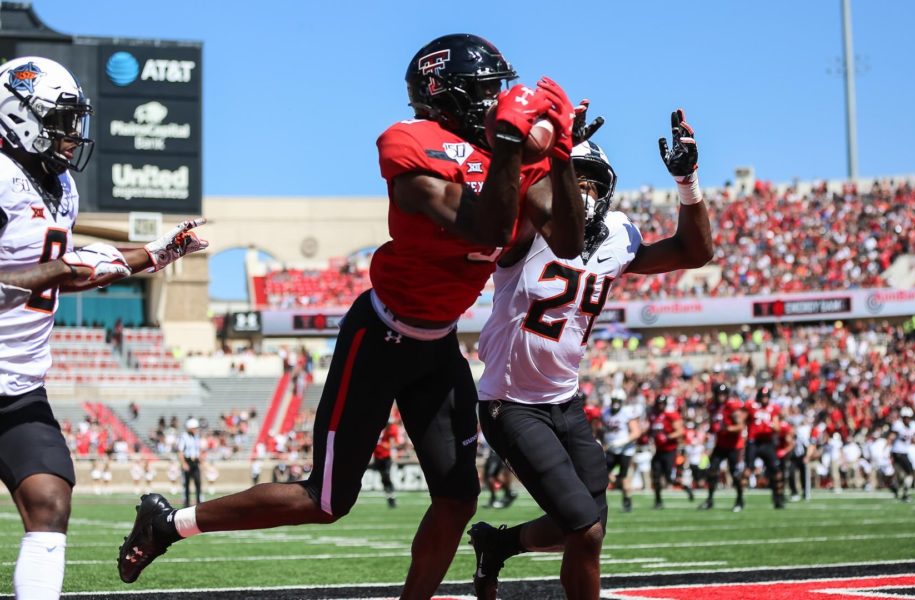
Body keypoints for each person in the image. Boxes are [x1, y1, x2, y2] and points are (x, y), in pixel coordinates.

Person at [117, 34, 584, 599]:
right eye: (487, 91)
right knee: (328, 500)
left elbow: (569, 242)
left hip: (438, 346)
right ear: (448, 95)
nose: (500, 100)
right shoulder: (411, 142)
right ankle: (171, 523)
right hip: (380, 336)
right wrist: (512, 148)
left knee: (459, 497)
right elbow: (482, 227)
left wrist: (560, 156)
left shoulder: (513, 156)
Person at [468, 109, 712, 600]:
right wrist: (555, 153)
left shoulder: (616, 238)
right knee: (585, 529)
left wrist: (687, 181)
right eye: (573, 179)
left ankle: (497, 545)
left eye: (592, 182)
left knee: (584, 522)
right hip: (511, 403)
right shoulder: (527, 232)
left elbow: (693, 251)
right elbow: (508, 210)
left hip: (565, 400)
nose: (584, 191)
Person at [0, 56, 207, 600]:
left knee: (49, 501)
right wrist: (60, 268)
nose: (72, 134)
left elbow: (65, 274)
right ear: (17, 113)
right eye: (60, 119)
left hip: (18, 383)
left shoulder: (59, 186)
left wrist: (155, 255)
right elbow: (50, 270)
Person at [699, 383, 748, 512]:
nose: (721, 397)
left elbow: (740, 426)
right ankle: (709, 500)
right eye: (719, 394)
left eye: (723, 394)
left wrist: (727, 428)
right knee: (712, 470)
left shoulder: (732, 406)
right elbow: (712, 423)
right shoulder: (712, 406)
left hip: (734, 446)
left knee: (735, 474)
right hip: (720, 445)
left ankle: (739, 500)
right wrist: (711, 430)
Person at [648, 395, 694, 507]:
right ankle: (658, 500)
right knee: (656, 476)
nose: (660, 406)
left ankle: (685, 487)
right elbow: (650, 430)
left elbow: (680, 431)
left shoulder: (671, 415)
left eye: (662, 403)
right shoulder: (654, 416)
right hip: (659, 450)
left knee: (669, 478)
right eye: (658, 404)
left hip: (670, 450)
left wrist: (667, 436)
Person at [743, 386, 785, 509]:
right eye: (763, 397)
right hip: (753, 442)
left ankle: (778, 498)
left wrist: (772, 426)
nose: (765, 399)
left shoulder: (773, 409)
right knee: (747, 471)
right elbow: (743, 420)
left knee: (776, 473)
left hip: (767, 443)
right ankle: (740, 499)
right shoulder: (751, 407)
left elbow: (778, 428)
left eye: (767, 397)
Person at [603, 390, 643, 513]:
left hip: (626, 450)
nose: (615, 403)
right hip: (611, 449)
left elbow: (636, 432)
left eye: (618, 401)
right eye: (614, 400)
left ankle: (627, 501)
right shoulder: (605, 412)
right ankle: (600, 501)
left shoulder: (626, 412)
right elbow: (603, 429)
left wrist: (622, 441)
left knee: (625, 477)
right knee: (601, 474)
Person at [886, 406, 915, 502]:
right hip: (898, 452)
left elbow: (911, 438)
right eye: (905, 417)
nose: (907, 420)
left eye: (908, 417)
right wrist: (886, 449)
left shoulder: (913, 426)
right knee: (909, 473)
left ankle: (895, 486)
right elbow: (891, 436)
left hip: (903, 452)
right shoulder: (898, 425)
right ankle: (904, 493)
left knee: (902, 474)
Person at [369, 417, 402, 508]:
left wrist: (387, 446)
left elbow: (396, 444)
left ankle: (392, 496)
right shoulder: (378, 428)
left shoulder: (392, 429)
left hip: (386, 456)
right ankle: (389, 496)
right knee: (383, 478)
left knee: (386, 475)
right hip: (377, 456)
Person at [177, 418, 203, 507]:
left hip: (195, 462)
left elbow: (197, 450)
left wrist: (200, 462)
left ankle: (199, 502)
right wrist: (183, 463)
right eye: (194, 428)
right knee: (187, 483)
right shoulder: (183, 437)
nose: (196, 430)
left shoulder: (196, 436)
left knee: (198, 482)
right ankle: (186, 503)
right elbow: (180, 452)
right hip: (187, 461)